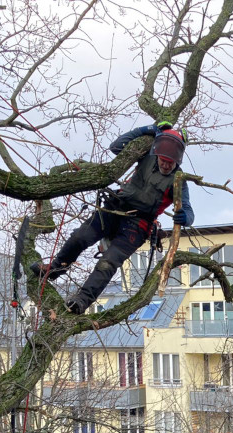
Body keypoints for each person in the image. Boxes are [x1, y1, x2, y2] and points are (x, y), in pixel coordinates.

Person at [32, 123, 195, 313]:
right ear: (157, 153)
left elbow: (189, 211)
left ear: (178, 161)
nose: (166, 164)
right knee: (80, 237)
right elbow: (117, 147)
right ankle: (55, 268)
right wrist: (146, 130)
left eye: (170, 162)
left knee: (108, 263)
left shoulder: (179, 181)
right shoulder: (146, 155)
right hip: (114, 207)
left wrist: (186, 218)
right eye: (163, 160)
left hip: (138, 224)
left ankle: (82, 301)